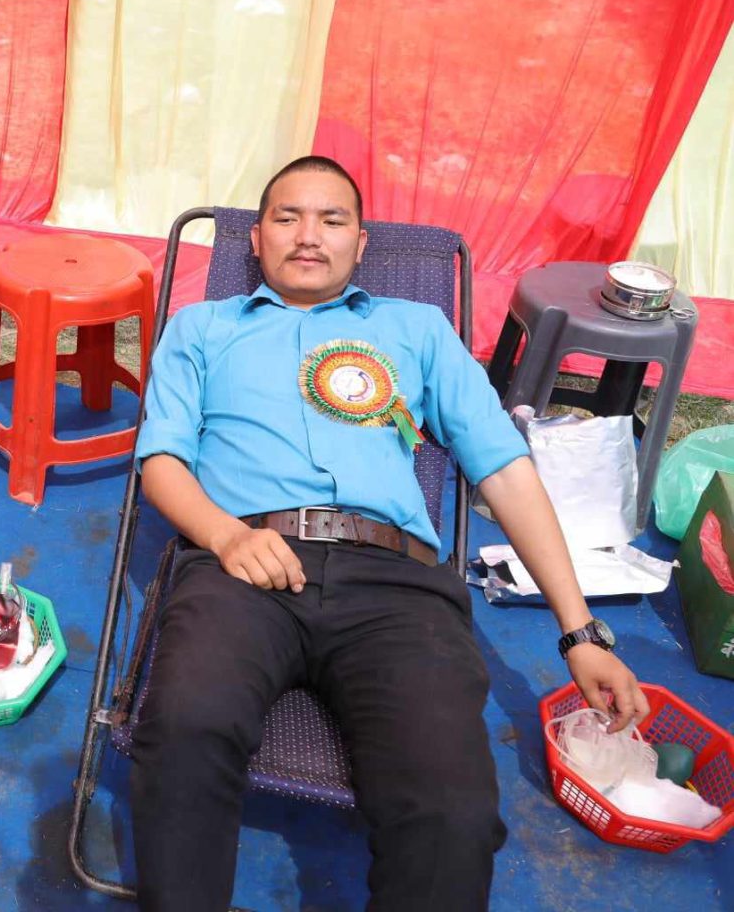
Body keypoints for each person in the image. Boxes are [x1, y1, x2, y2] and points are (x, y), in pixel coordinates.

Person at [129, 156, 649, 911]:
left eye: (332, 219)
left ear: (361, 242)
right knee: (184, 731)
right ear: (257, 240)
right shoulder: (201, 329)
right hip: (242, 566)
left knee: (452, 812)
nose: (309, 235)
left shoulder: (415, 328)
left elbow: (504, 471)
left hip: (395, 588)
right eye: (286, 217)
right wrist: (224, 536)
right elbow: (162, 462)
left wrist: (580, 634)